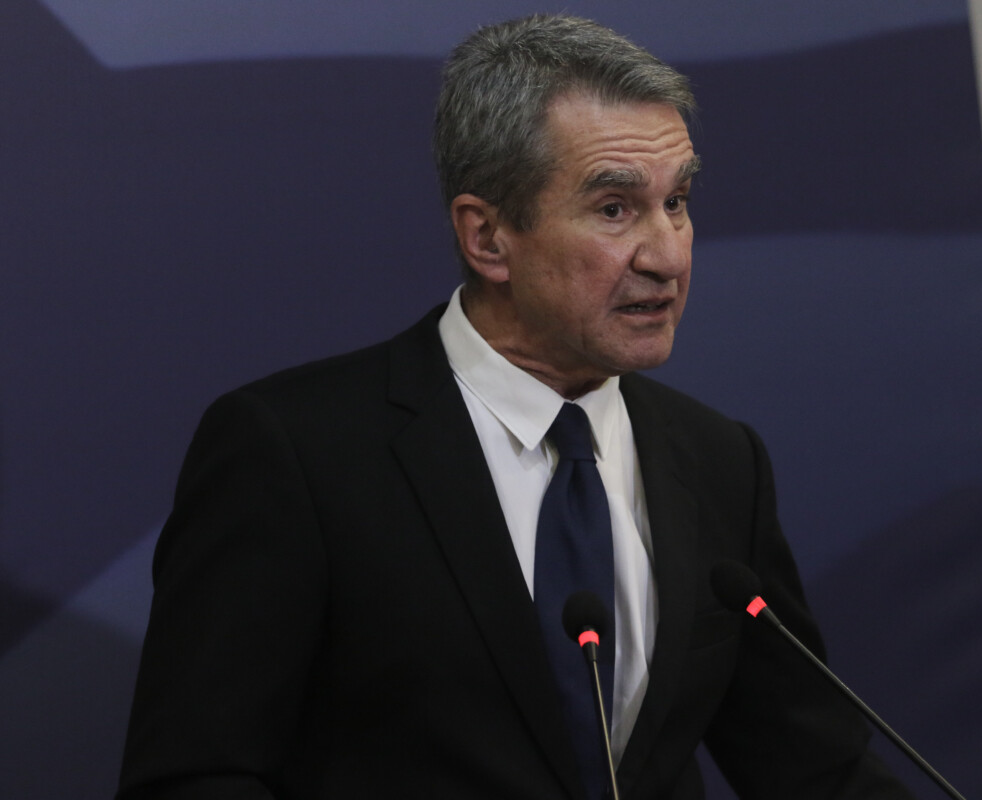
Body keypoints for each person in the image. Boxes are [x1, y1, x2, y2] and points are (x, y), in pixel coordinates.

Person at [117, 14, 912, 800]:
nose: (668, 254)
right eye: (614, 208)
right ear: (488, 238)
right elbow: (195, 775)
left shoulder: (719, 462)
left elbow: (815, 768)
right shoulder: (298, 454)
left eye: (677, 201)